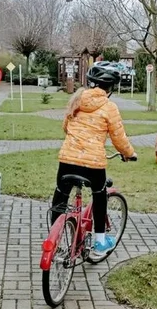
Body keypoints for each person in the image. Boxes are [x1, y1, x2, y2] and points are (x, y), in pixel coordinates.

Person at [51, 62, 137, 260]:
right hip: (93, 164)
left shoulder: (76, 100)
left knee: (60, 197)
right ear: (111, 87)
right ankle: (99, 241)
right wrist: (129, 153)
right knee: (99, 194)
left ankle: (54, 238)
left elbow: (66, 126)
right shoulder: (109, 107)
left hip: (67, 159)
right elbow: (119, 138)